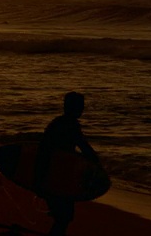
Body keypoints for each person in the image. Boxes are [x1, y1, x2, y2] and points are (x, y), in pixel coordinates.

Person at [35, 92, 99, 236]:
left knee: (62, 217)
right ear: (71, 107)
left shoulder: (57, 123)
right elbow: (84, 147)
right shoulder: (70, 125)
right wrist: (96, 164)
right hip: (57, 178)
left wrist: (39, 178)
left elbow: (42, 149)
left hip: (51, 176)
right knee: (64, 217)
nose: (82, 109)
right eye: (80, 106)